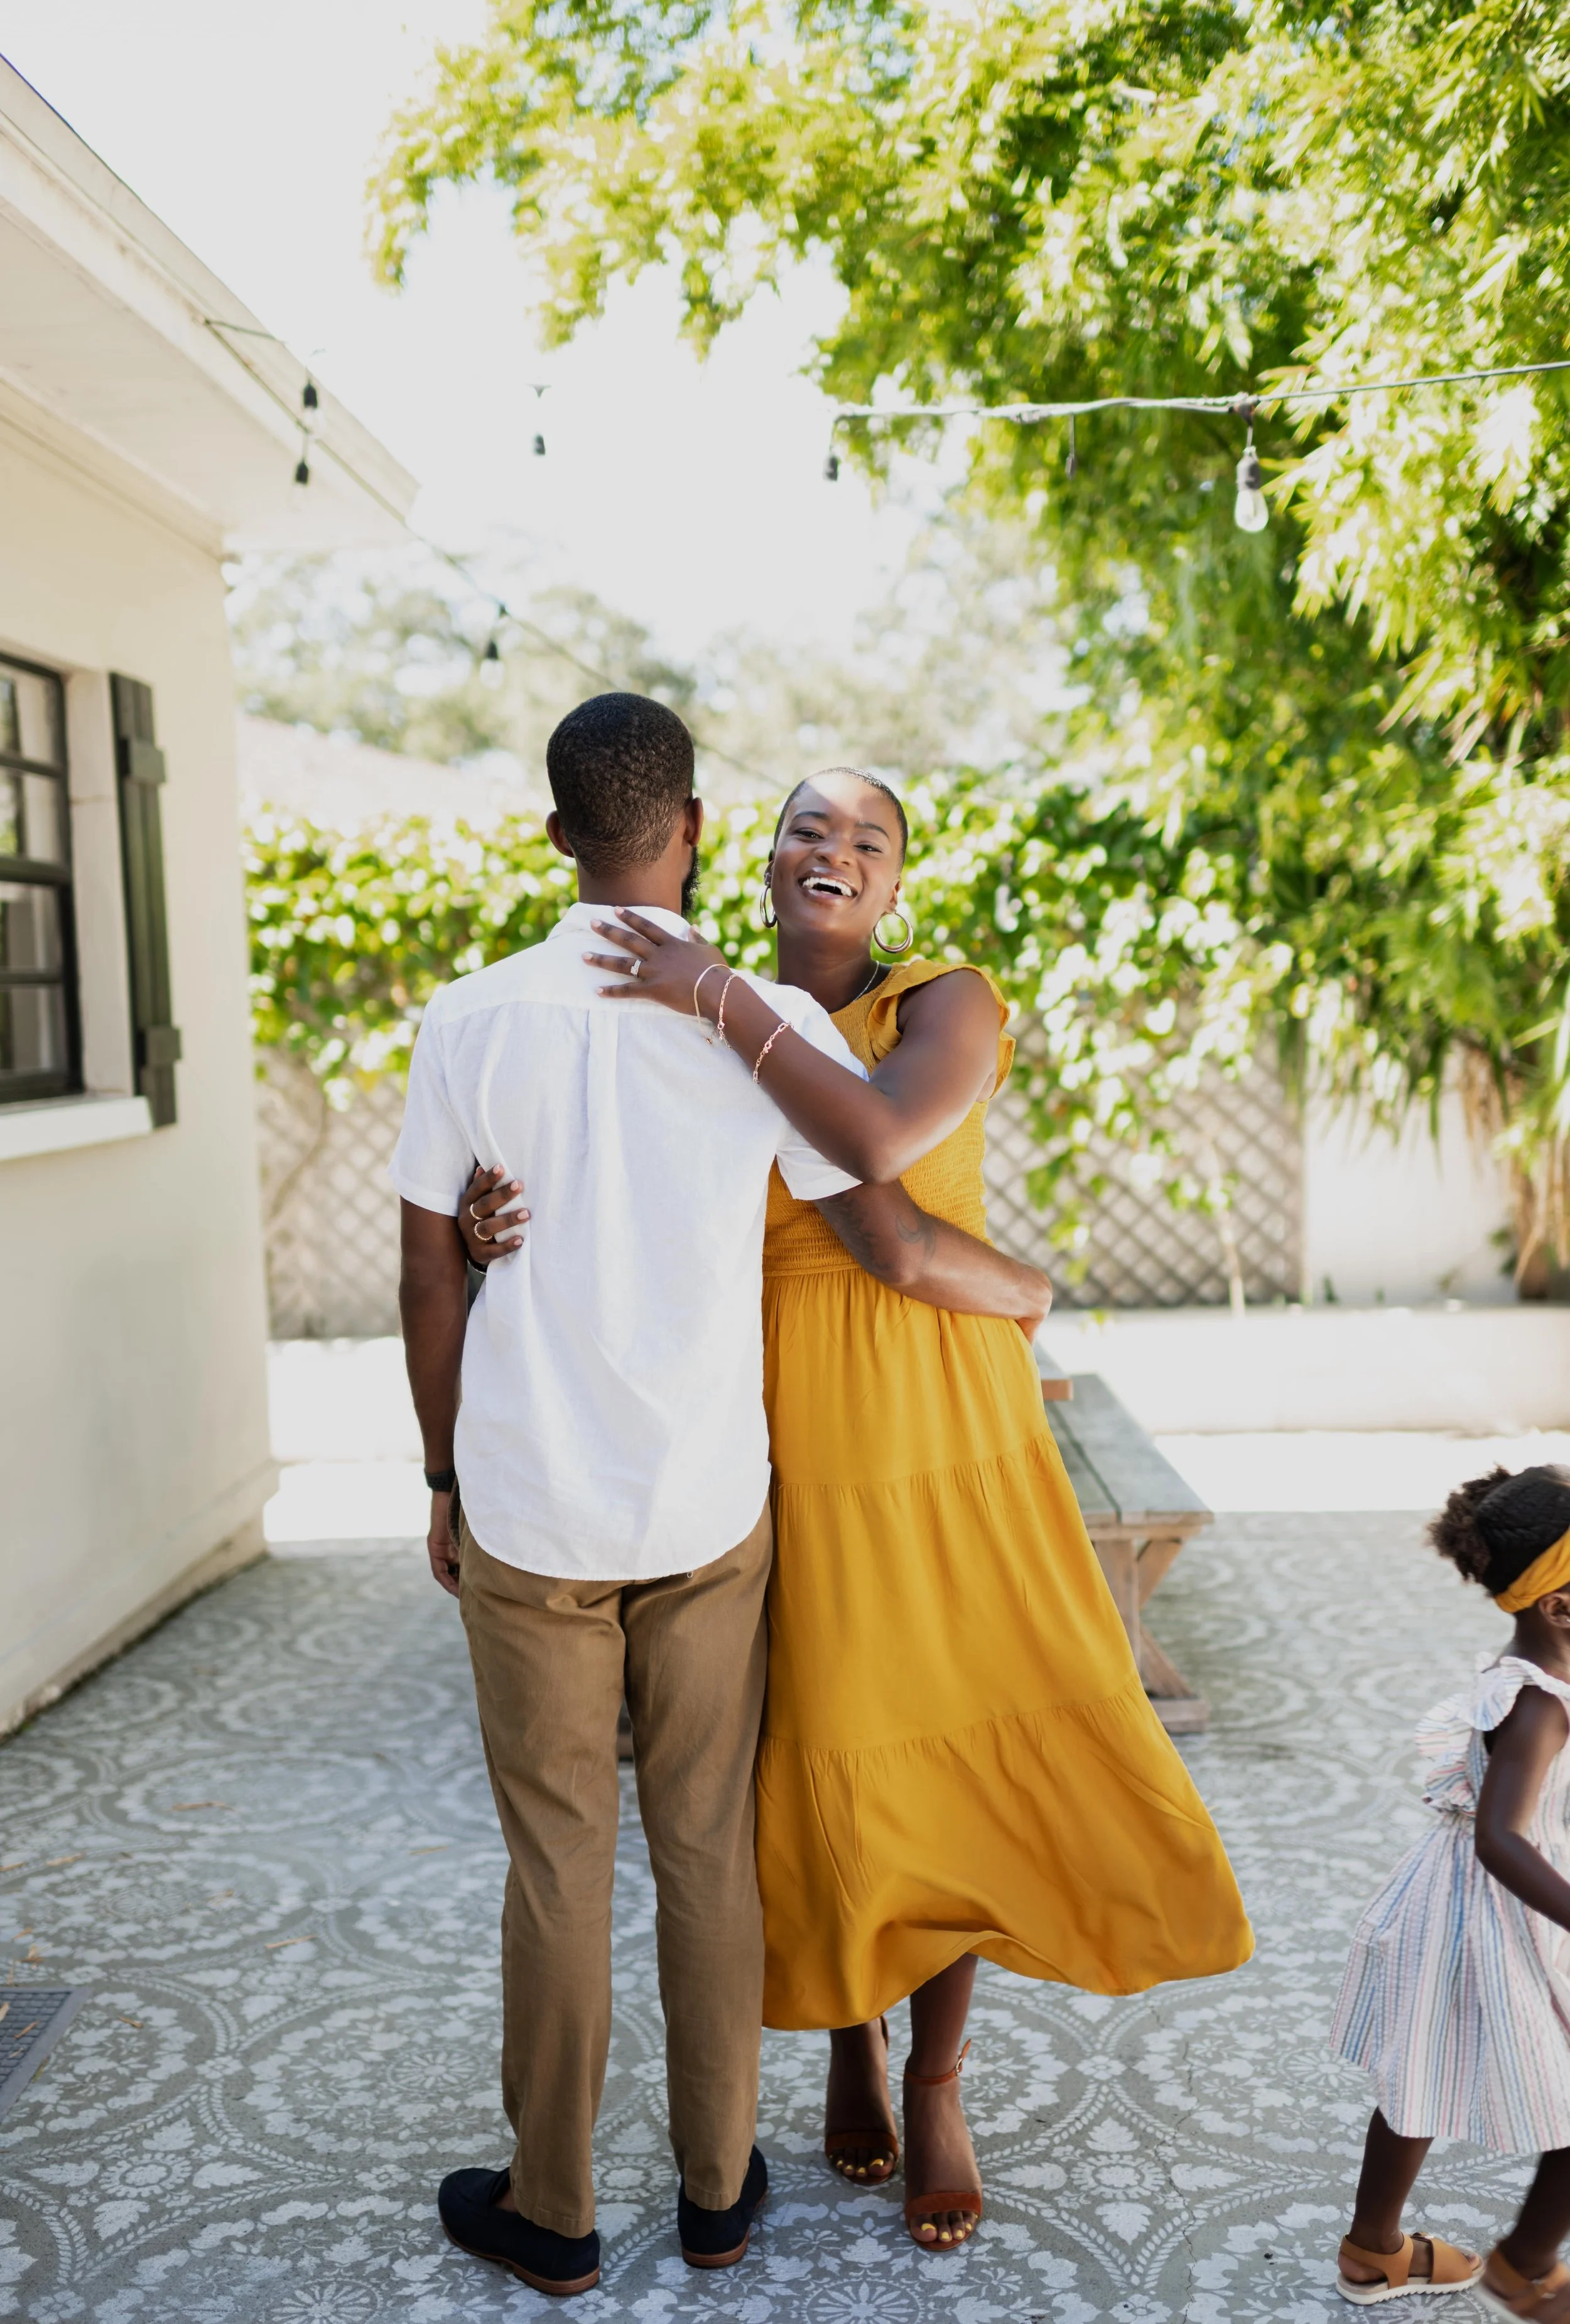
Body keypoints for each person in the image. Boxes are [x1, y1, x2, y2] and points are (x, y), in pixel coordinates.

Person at [463, 763, 1253, 2256]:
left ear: (896, 881)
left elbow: (881, 1161)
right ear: (753, 857)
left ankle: (935, 2080)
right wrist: (480, 1220)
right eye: (807, 829)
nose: (835, 850)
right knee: (820, 1743)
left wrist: (718, 995)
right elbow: (621, 1191)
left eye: (869, 839)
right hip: (765, 1416)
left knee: (954, 1731)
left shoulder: (936, 1000)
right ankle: (848, 2031)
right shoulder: (695, 1008)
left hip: (937, 1415)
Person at [391, 700, 1055, 2298]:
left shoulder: (467, 1018)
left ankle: (552, 2210)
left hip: (530, 1502)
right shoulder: (769, 1023)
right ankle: (716, 2194)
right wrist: (1029, 1291)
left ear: (557, 834)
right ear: (694, 828)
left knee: (558, 1860)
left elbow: (423, 1280)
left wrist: (441, 1473)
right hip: (703, 1502)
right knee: (705, 1842)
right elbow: (880, 1222)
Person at [1330, 1462, 1570, 2315]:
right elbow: (1503, 1837)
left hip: (1464, 1900)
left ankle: (1373, 2249)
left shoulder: (1538, 1672)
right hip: (1502, 1908)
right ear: (1560, 1606)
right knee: (1422, 2074)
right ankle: (1526, 2266)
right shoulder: (1541, 1705)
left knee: (1420, 2075)